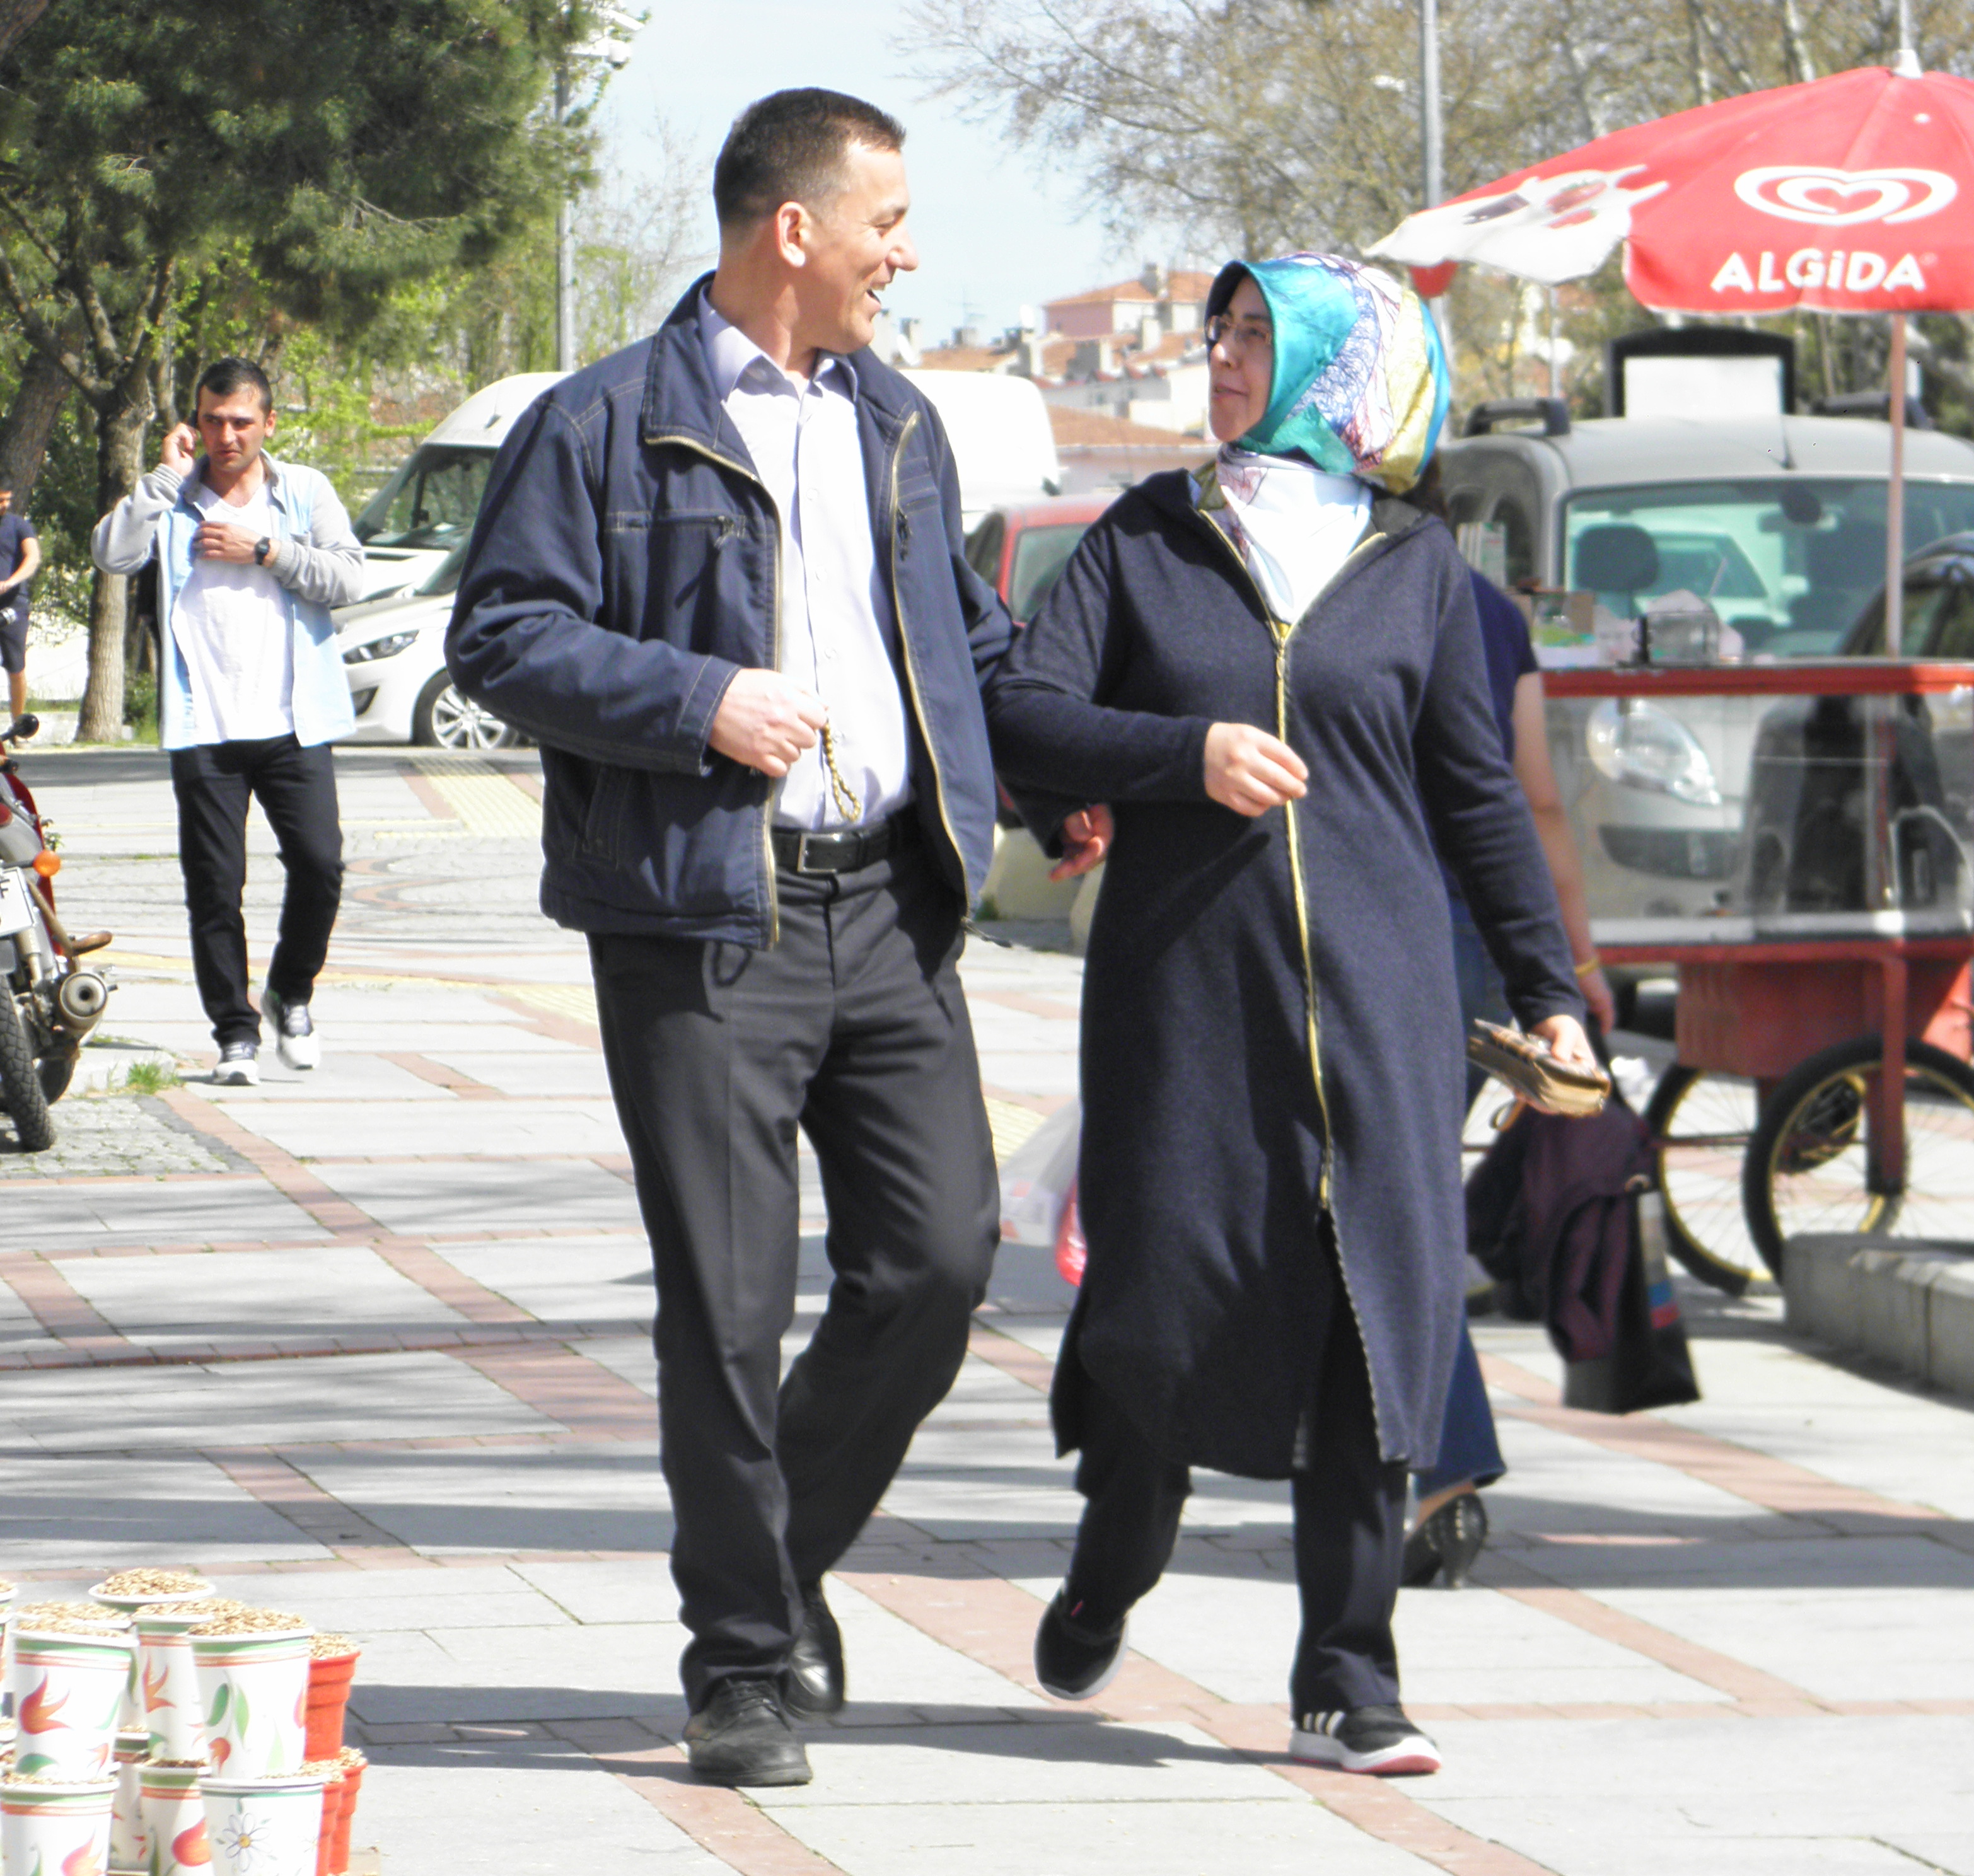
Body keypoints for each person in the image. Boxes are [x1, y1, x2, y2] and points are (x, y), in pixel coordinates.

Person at [447, 90, 1036, 1792]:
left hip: (892, 907)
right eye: (886, 224)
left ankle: (772, 1571)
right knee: (726, 1303)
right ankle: (742, 1666)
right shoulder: (602, 423)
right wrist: (702, 698)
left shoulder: (900, 426)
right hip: (703, 920)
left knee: (938, 1261)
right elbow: (502, 634)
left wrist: (1104, 771)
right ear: (797, 229)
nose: (903, 256)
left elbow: (971, 653)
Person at [990, 253, 1594, 1778]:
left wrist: (1547, 989)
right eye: (1220, 330)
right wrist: (1180, 754)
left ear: (1340, 369)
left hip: (1383, 1006)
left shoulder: (1414, 563)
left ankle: (1347, 1673)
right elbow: (1024, 711)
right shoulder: (1147, 536)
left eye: (1259, 335)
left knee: (1368, 1327)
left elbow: (1475, 795)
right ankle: (1115, 1554)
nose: (1223, 355)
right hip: (1182, 1004)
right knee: (1159, 1312)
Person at [1403, 466, 1615, 1589]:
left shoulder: (1344, 591)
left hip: (1386, 929)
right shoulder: (1490, 611)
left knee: (1385, 1199)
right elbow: (1535, 798)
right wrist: (1572, 967)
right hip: (1479, 934)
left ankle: (1439, 1460)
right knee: (1404, 1191)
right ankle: (1417, 1457)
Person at [91, 358, 363, 1086]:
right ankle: (235, 1035)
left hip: (292, 722)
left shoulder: (302, 492)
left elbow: (348, 576)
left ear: (268, 423)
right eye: (212, 420)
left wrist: (266, 550)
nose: (226, 435)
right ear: (195, 422)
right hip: (203, 724)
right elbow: (111, 555)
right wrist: (161, 479)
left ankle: (290, 992)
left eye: (241, 421)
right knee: (215, 887)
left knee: (321, 866)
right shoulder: (174, 497)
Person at [0, 482, 42, 741]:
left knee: (16, 667)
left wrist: (11, 582)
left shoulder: (19, 525)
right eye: (0, 500)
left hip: (12, 604)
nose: (5, 505)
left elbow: (33, 557)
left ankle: (18, 730)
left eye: (7, 499)